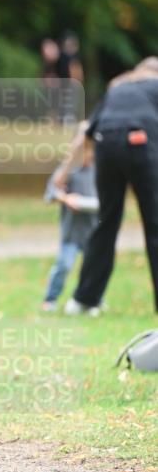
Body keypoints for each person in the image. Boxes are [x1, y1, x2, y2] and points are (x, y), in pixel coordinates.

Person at [57, 57, 158, 314]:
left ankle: (84, 300)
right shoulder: (154, 86)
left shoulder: (119, 89)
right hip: (141, 142)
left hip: (107, 146)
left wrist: (62, 174)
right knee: (155, 225)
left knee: (106, 221)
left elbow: (85, 132)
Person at [41, 124, 99, 313]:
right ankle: (50, 298)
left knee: (93, 269)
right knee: (64, 265)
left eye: (90, 151)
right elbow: (51, 192)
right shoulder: (69, 171)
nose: (87, 156)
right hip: (72, 233)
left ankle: (92, 300)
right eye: (82, 151)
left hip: (93, 231)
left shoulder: (99, 170)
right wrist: (66, 199)